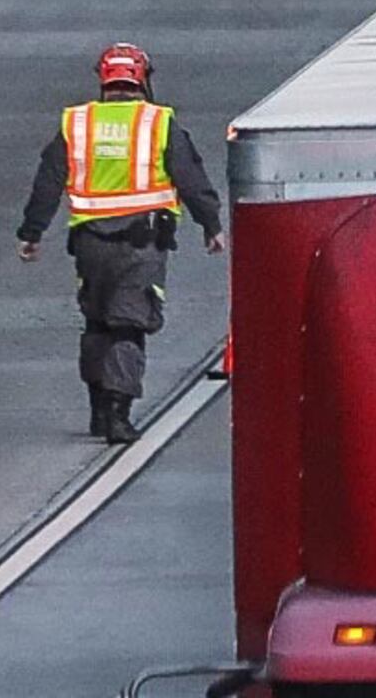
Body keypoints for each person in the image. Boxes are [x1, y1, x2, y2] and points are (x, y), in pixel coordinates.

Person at [16, 41, 224, 443]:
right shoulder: (159, 122)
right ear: (142, 79)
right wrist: (211, 224)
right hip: (141, 243)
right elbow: (191, 178)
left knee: (97, 322)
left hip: (90, 244)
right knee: (128, 325)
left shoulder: (77, 123)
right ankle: (117, 414)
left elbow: (48, 180)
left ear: (104, 79)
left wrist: (32, 232)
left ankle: (97, 407)